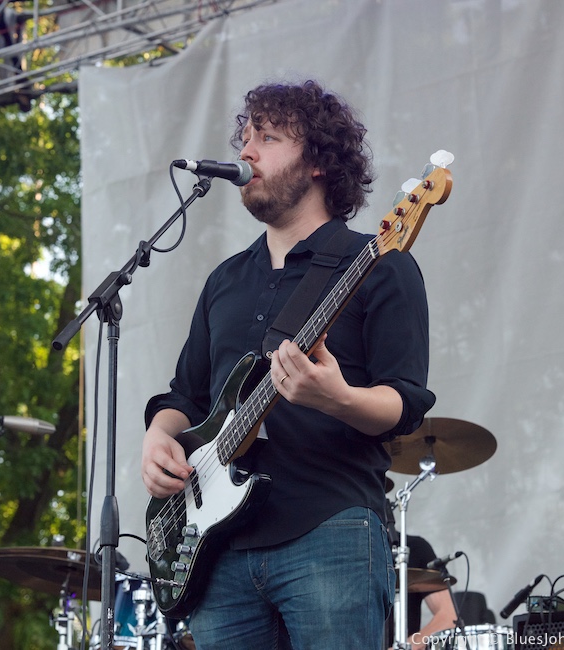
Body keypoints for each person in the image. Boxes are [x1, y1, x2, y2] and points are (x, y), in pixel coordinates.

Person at [141, 79, 435, 649]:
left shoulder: (381, 263)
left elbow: (405, 404)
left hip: (330, 530)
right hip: (218, 551)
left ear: (319, 162)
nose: (246, 151)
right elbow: (186, 398)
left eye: (268, 138)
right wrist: (158, 438)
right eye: (245, 138)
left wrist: (338, 398)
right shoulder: (225, 280)